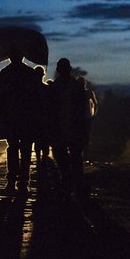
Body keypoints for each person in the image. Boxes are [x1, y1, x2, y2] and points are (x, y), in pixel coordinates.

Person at [0, 49, 44, 195]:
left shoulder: (5, 73)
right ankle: (22, 183)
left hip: (12, 119)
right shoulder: (29, 73)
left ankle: (13, 182)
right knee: (24, 150)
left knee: (13, 149)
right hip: (26, 119)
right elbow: (38, 99)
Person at [48, 58, 90, 196]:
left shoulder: (61, 87)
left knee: (74, 158)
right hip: (62, 127)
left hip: (72, 127)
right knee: (66, 157)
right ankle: (71, 182)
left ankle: (74, 184)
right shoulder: (59, 87)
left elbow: (84, 109)